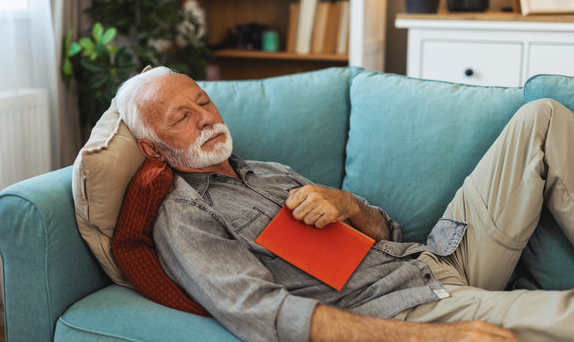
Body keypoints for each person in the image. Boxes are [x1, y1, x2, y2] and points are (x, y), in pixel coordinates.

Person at [114, 66, 574, 342]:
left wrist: (349, 206)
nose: (207, 119)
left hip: (437, 256)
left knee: (542, 117)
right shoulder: (187, 217)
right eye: (183, 117)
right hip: (409, 308)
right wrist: (440, 337)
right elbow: (268, 316)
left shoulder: (267, 171)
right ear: (153, 149)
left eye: (204, 102)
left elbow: (391, 232)